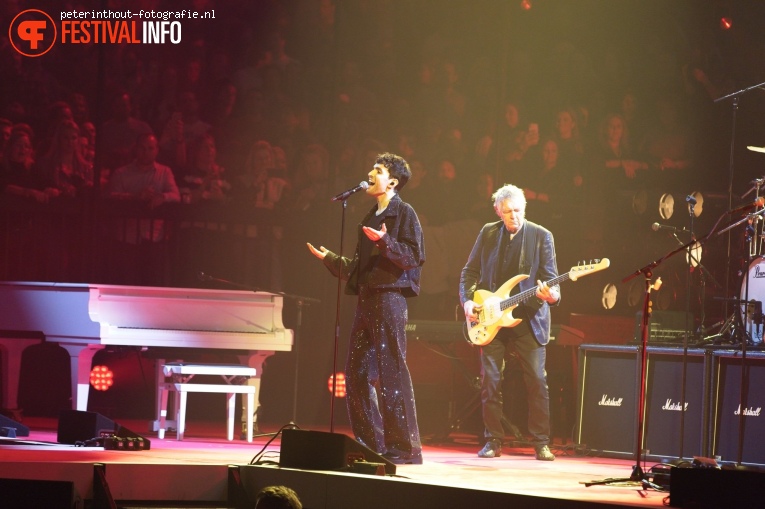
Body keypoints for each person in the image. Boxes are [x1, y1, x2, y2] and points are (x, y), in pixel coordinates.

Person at [307, 152, 425, 465]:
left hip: (389, 300)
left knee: (391, 373)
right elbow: (360, 269)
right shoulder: (370, 216)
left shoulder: (405, 214)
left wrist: (387, 243)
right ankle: (371, 444)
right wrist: (331, 260)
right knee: (356, 375)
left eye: (378, 170)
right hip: (366, 300)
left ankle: (403, 449)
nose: (371, 173)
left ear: (393, 182)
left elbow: (413, 257)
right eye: (371, 168)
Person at [459, 183, 559, 461]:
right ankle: (493, 440)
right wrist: (468, 301)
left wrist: (551, 296)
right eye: (508, 211)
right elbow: (469, 271)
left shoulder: (541, 236)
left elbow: (553, 279)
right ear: (498, 212)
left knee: (537, 380)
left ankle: (541, 442)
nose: (514, 216)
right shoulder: (488, 232)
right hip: (492, 318)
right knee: (490, 380)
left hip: (528, 318)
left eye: (518, 210)